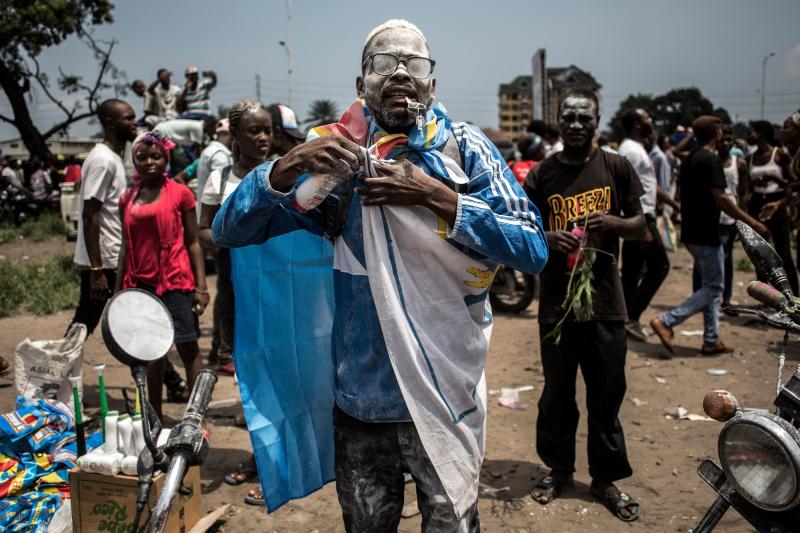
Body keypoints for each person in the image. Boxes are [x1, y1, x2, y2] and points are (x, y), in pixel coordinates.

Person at [213, 19, 548, 530]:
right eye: (382, 64)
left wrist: (433, 194)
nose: (398, 74)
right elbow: (229, 230)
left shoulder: (464, 149)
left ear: (432, 84)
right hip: (362, 400)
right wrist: (282, 170)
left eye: (413, 65)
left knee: (452, 523)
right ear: (360, 86)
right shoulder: (335, 160)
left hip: (443, 395)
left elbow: (531, 248)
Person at [523, 88, 645, 523]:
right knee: (557, 394)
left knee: (607, 394)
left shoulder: (616, 166)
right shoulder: (541, 175)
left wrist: (612, 222)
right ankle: (558, 470)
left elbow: (640, 227)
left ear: (597, 121)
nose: (576, 125)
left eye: (584, 118)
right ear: (558, 120)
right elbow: (523, 234)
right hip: (558, 307)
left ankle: (605, 478)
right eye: (569, 117)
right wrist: (545, 239)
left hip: (607, 304)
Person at [198, 100, 273, 504]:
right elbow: (204, 232)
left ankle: (276, 462)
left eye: (268, 130)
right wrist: (231, 238)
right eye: (254, 131)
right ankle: (259, 457)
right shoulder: (220, 178)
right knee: (249, 377)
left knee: (278, 375)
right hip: (235, 290)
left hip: (278, 292)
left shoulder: (282, 173)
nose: (262, 138)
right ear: (236, 136)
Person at [650, 116, 769, 355]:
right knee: (715, 288)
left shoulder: (691, 158)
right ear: (715, 133)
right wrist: (752, 222)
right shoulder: (711, 160)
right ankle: (667, 321)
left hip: (692, 231)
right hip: (706, 232)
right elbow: (722, 198)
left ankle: (711, 338)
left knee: (710, 285)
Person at [115, 132, 209, 419]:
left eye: (155, 156)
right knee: (149, 353)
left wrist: (201, 287)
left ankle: (195, 418)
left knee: (187, 347)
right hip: (140, 286)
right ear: (134, 162)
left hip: (175, 282)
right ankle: (152, 417)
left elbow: (193, 242)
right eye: (142, 157)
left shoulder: (180, 193)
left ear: (165, 159)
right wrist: (118, 291)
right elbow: (124, 246)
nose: (149, 162)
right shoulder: (128, 197)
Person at [69, 99, 137, 334]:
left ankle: (164, 372)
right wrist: (96, 272)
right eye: (128, 118)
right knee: (85, 324)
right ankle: (55, 368)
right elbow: (90, 215)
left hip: (112, 257)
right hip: (104, 261)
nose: (134, 123)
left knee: (129, 322)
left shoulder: (114, 159)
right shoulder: (103, 160)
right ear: (110, 123)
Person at [618, 109, 672, 341]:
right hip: (641, 217)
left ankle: (622, 319)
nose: (652, 121)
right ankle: (630, 316)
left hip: (644, 216)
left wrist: (674, 204)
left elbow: (649, 186)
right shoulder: (630, 150)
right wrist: (642, 227)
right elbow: (626, 188)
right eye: (648, 118)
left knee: (631, 271)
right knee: (659, 267)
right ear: (638, 124)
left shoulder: (640, 149)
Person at [692, 126, 749, 305]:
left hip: (728, 217)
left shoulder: (738, 163)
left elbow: (743, 193)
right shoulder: (709, 160)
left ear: (733, 142)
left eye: (729, 140)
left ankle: (726, 298)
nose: (725, 143)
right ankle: (700, 294)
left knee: (726, 258)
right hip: (709, 216)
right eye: (723, 139)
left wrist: (743, 220)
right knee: (702, 258)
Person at [746, 120, 798, 295]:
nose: (748, 136)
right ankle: (766, 297)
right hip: (757, 203)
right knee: (760, 253)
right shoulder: (750, 158)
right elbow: (747, 187)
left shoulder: (779, 155)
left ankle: (795, 296)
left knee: (783, 252)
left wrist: (774, 180)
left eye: (751, 132)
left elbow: (792, 183)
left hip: (777, 203)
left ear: (760, 133)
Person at [194, 118, 232, 211]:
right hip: (214, 218)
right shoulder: (220, 156)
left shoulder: (209, 151)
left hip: (204, 214)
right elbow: (219, 192)